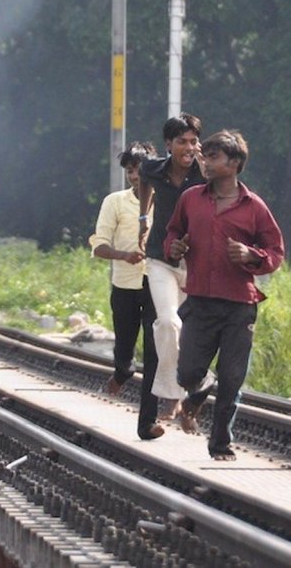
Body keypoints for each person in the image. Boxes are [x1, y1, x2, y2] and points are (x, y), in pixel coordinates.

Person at [165, 130, 285, 460]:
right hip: (200, 301)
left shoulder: (254, 207)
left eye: (213, 157)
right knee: (188, 372)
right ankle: (201, 387)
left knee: (232, 380)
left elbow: (275, 251)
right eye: (205, 156)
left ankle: (220, 444)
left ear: (234, 164)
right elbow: (174, 231)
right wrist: (174, 247)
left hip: (239, 306)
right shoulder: (191, 199)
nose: (204, 161)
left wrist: (251, 256)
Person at [88, 141, 165, 440]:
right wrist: (124, 255)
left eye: (141, 169)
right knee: (124, 348)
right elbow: (99, 244)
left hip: (157, 282)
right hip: (125, 284)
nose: (136, 176)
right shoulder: (115, 202)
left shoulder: (168, 200)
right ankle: (121, 372)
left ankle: (148, 422)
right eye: (131, 171)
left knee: (154, 352)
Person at [137, 113, 206, 422]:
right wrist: (143, 219)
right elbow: (145, 182)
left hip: (196, 262)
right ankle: (172, 395)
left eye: (193, 141)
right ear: (169, 144)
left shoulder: (205, 174)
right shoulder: (154, 168)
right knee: (168, 323)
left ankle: (194, 386)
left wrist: (206, 172)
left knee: (191, 334)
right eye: (182, 142)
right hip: (160, 259)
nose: (188, 147)